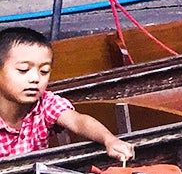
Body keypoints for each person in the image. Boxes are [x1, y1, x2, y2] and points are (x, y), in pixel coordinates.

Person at [0, 27, 134, 160]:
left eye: (44, 71)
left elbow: (79, 122)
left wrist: (109, 140)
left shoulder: (45, 103)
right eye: (23, 70)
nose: (35, 78)